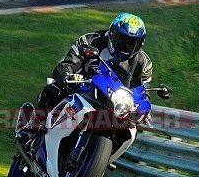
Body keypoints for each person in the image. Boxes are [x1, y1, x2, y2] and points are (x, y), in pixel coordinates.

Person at [15, 12, 152, 140]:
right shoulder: (91, 41)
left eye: (133, 43)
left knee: (128, 127)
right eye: (122, 40)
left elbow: (143, 91)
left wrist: (143, 108)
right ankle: (34, 123)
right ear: (111, 33)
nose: (127, 47)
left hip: (112, 102)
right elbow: (66, 64)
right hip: (81, 87)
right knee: (54, 87)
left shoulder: (143, 63)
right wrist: (68, 76)